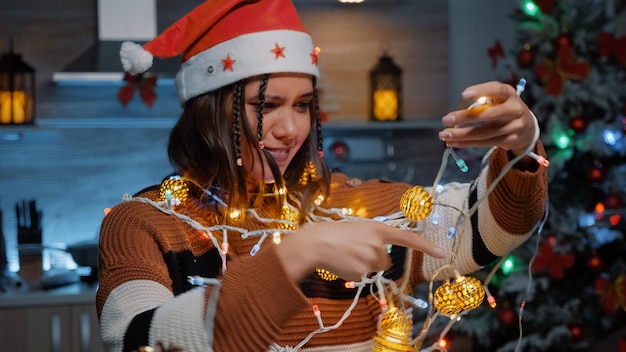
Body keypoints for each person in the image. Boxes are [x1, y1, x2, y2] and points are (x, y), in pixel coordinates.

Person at [96, 0, 548, 351]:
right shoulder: (143, 225)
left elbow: (487, 227)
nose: (291, 129)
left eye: (303, 105)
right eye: (266, 106)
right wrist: (299, 253)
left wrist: (522, 147)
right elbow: (138, 341)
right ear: (209, 113)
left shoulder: (355, 206)